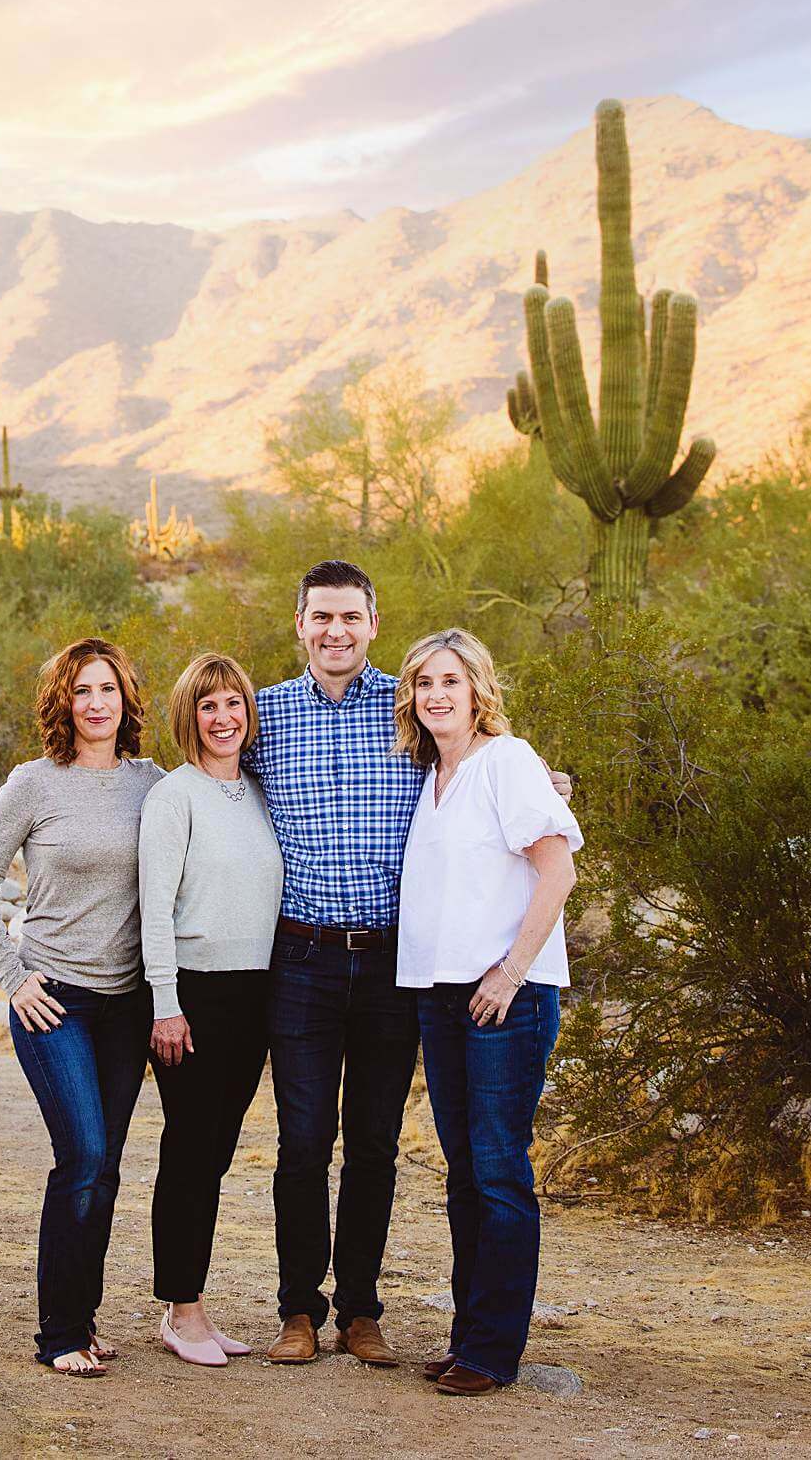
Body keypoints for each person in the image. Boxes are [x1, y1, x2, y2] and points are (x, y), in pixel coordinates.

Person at [246, 560, 571, 1368]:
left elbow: (501, 778)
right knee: (301, 1141)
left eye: (350, 617)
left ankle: (361, 1311)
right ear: (298, 623)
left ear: (372, 623)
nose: (335, 631)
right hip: (305, 959)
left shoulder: (409, 712)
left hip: (395, 965)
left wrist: (549, 786)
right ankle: (298, 1311)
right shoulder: (267, 717)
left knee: (378, 1145)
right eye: (320, 616)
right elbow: (208, 773)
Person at [0, 636, 163, 1378]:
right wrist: (12, 977)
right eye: (82, 691)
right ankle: (57, 1334)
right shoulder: (33, 784)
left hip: (128, 1004)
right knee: (79, 1156)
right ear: (63, 703)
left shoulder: (153, 784)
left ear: (127, 699)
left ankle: (84, 1320)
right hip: (53, 1001)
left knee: (105, 1167)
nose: (96, 703)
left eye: (108, 689)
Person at [394, 627, 581, 1395]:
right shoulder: (432, 776)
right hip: (442, 996)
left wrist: (510, 972)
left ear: (479, 690)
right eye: (424, 682)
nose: (436, 694)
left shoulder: (506, 760)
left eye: (450, 680)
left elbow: (558, 870)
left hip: (507, 996)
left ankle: (494, 1351)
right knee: (465, 1173)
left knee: (501, 1171)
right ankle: (469, 1335)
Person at [138, 653, 283, 1366]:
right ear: (187, 716)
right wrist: (165, 1005)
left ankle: (193, 1303)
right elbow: (155, 911)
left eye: (234, 704)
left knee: (217, 1153)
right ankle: (181, 1311)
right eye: (208, 705)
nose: (223, 718)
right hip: (191, 996)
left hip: (254, 995)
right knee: (191, 1150)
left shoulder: (259, 791)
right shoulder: (174, 797)